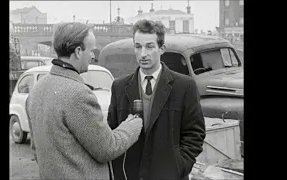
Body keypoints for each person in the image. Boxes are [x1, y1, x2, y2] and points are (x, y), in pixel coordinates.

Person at [25, 22, 143, 180]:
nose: (93, 56)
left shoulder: (37, 89)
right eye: (92, 50)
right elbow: (107, 149)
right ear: (78, 51)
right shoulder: (78, 94)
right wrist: (131, 127)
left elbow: (36, 149)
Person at [107, 19, 206, 180]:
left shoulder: (184, 86)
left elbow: (195, 133)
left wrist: (178, 166)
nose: (143, 54)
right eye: (138, 46)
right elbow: (112, 132)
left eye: (149, 46)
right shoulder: (119, 87)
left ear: (162, 49)